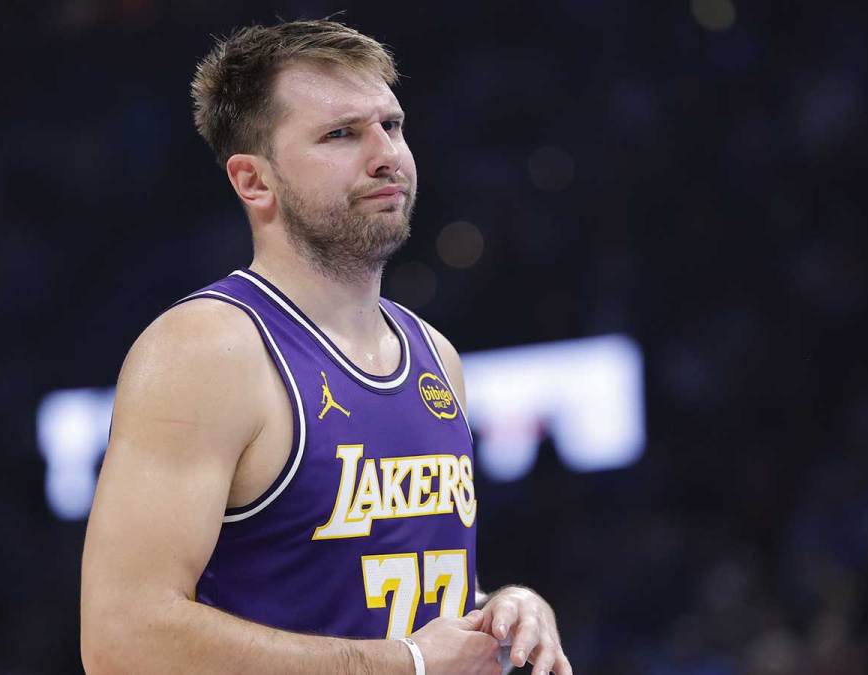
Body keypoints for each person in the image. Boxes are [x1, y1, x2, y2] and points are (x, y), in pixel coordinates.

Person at [80, 19, 573, 675]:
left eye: (391, 126)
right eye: (341, 134)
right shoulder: (207, 349)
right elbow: (122, 638)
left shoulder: (435, 354)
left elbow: (384, 604)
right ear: (255, 180)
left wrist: (502, 610)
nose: (385, 154)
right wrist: (405, 664)